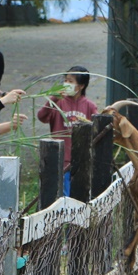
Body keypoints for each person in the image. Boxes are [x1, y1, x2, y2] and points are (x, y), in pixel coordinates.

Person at [37, 66, 98, 196]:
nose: (66, 84)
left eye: (71, 81)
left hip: (81, 159)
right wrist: (53, 99)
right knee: (63, 195)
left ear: (81, 86)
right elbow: (42, 116)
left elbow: (96, 129)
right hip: (61, 158)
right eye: (66, 80)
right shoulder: (58, 102)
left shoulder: (90, 106)